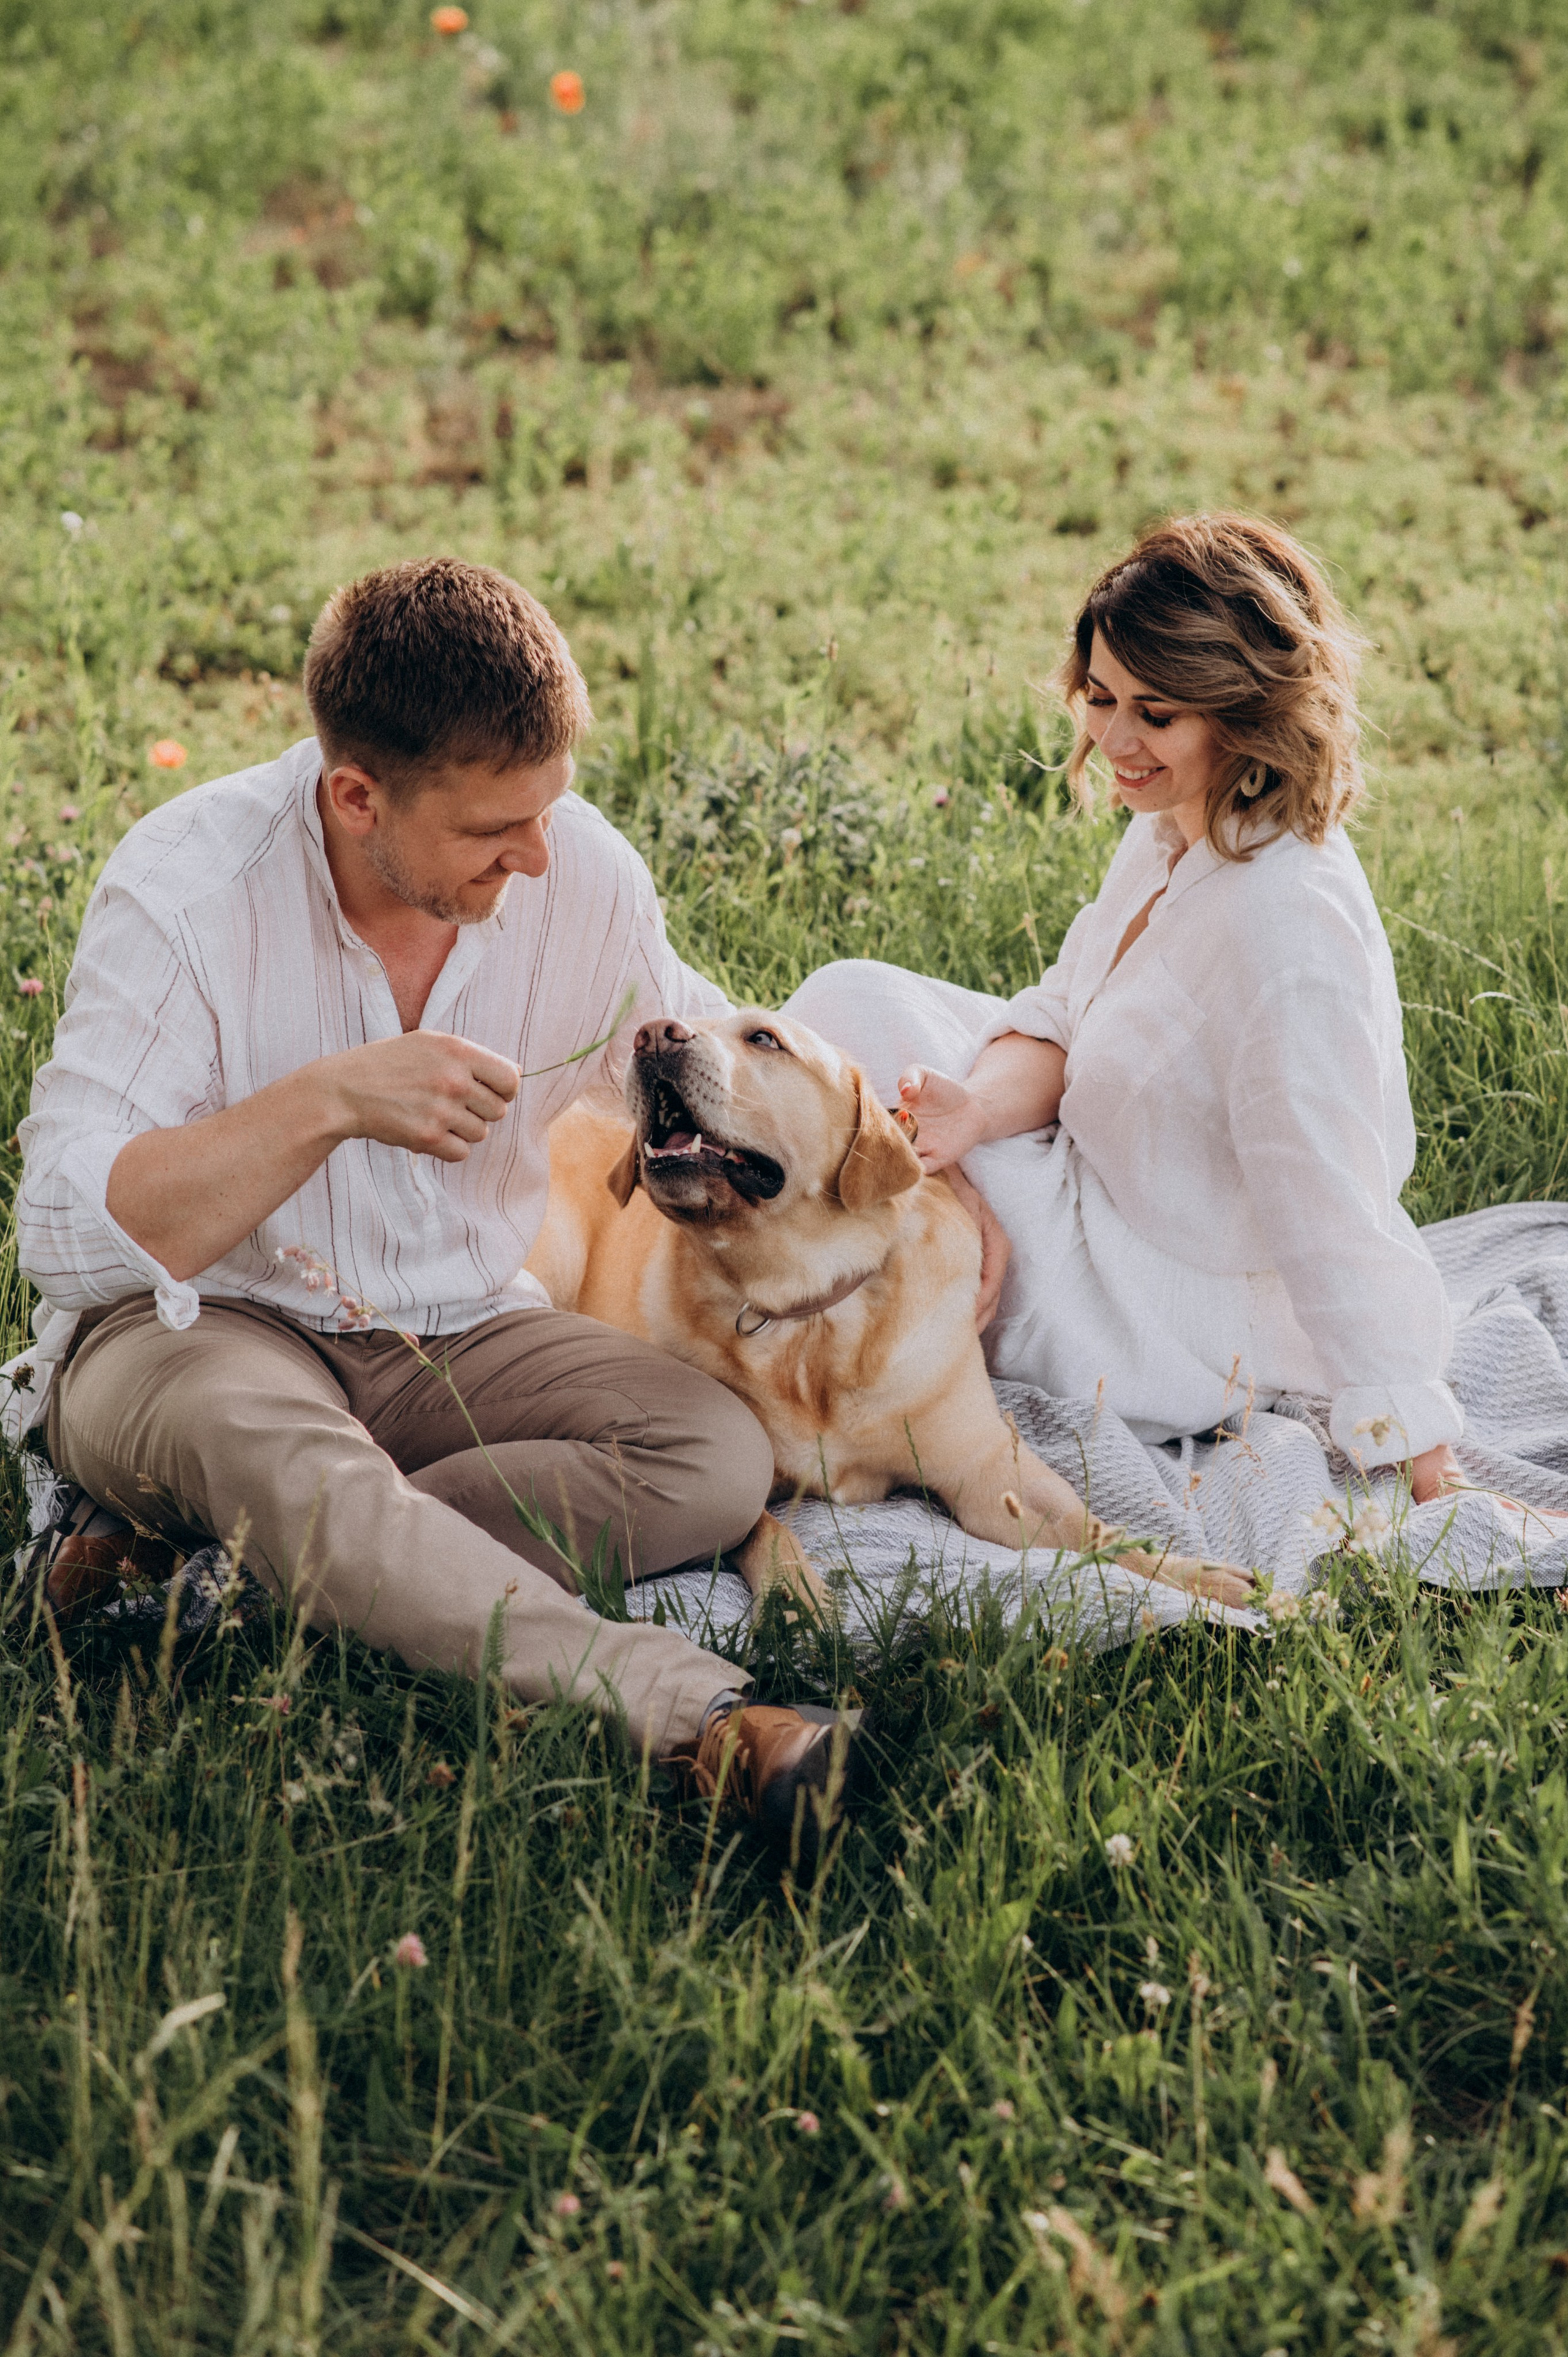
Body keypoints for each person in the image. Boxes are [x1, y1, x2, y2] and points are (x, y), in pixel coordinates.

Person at [9, 558, 862, 1858]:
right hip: (197, 1329)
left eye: (549, 810)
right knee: (272, 1445)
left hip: (456, 1326)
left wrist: (906, 1160)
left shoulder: (577, 868)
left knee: (713, 1456)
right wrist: (325, 1101)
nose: (537, 855)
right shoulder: (187, 887)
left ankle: (243, 1571)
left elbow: (686, 1050)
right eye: (491, 831)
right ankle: (708, 1719)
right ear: (357, 796)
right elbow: (62, 1228)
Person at [786, 512, 1464, 1504]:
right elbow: (1069, 1008)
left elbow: (1328, 1201)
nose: (1113, 740)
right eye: (1102, 698)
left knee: (818, 1095)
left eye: (1156, 713)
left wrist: (1417, 1448)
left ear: (1245, 715)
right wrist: (972, 1116)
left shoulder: (1286, 929)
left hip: (1149, 1305)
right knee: (846, 1001)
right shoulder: (1183, 824)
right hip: (1081, 1166)